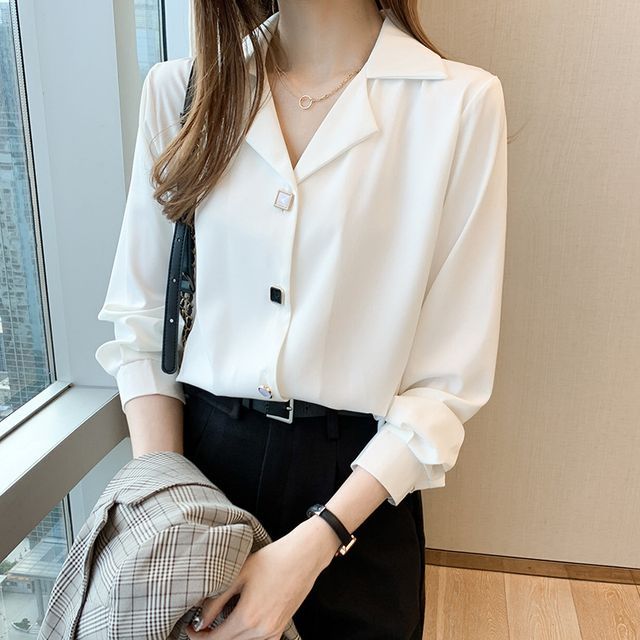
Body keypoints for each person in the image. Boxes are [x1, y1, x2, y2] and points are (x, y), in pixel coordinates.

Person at [94, 1, 508, 639]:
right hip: (196, 470)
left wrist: (317, 542)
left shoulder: (458, 105)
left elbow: (445, 384)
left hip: (359, 496)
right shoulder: (180, 92)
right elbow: (143, 328)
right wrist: (172, 517)